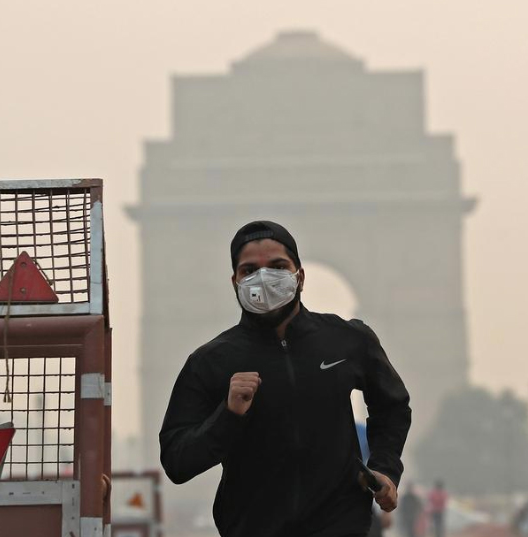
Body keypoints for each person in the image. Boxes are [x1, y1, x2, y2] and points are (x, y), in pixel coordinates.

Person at [160, 221, 412, 537]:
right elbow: (176, 462)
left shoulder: (346, 340)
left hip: (339, 522)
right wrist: (228, 415)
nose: (264, 278)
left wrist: (385, 469)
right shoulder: (210, 362)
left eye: (278, 266)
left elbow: (393, 406)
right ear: (235, 282)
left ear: (300, 276)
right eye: (249, 270)